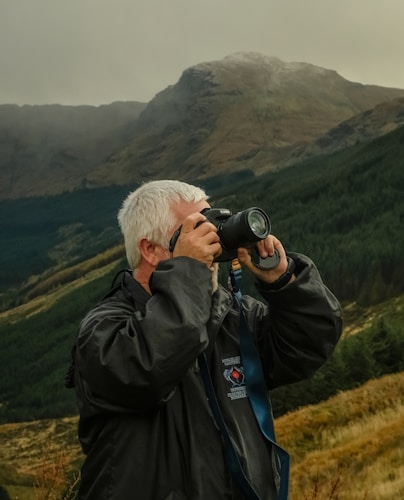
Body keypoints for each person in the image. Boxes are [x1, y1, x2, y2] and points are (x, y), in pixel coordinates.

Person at [69, 179, 342, 500]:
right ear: (151, 250)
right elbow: (148, 369)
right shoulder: (106, 329)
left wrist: (284, 282)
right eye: (195, 231)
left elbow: (306, 348)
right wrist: (189, 272)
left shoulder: (230, 316)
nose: (212, 239)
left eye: (211, 224)